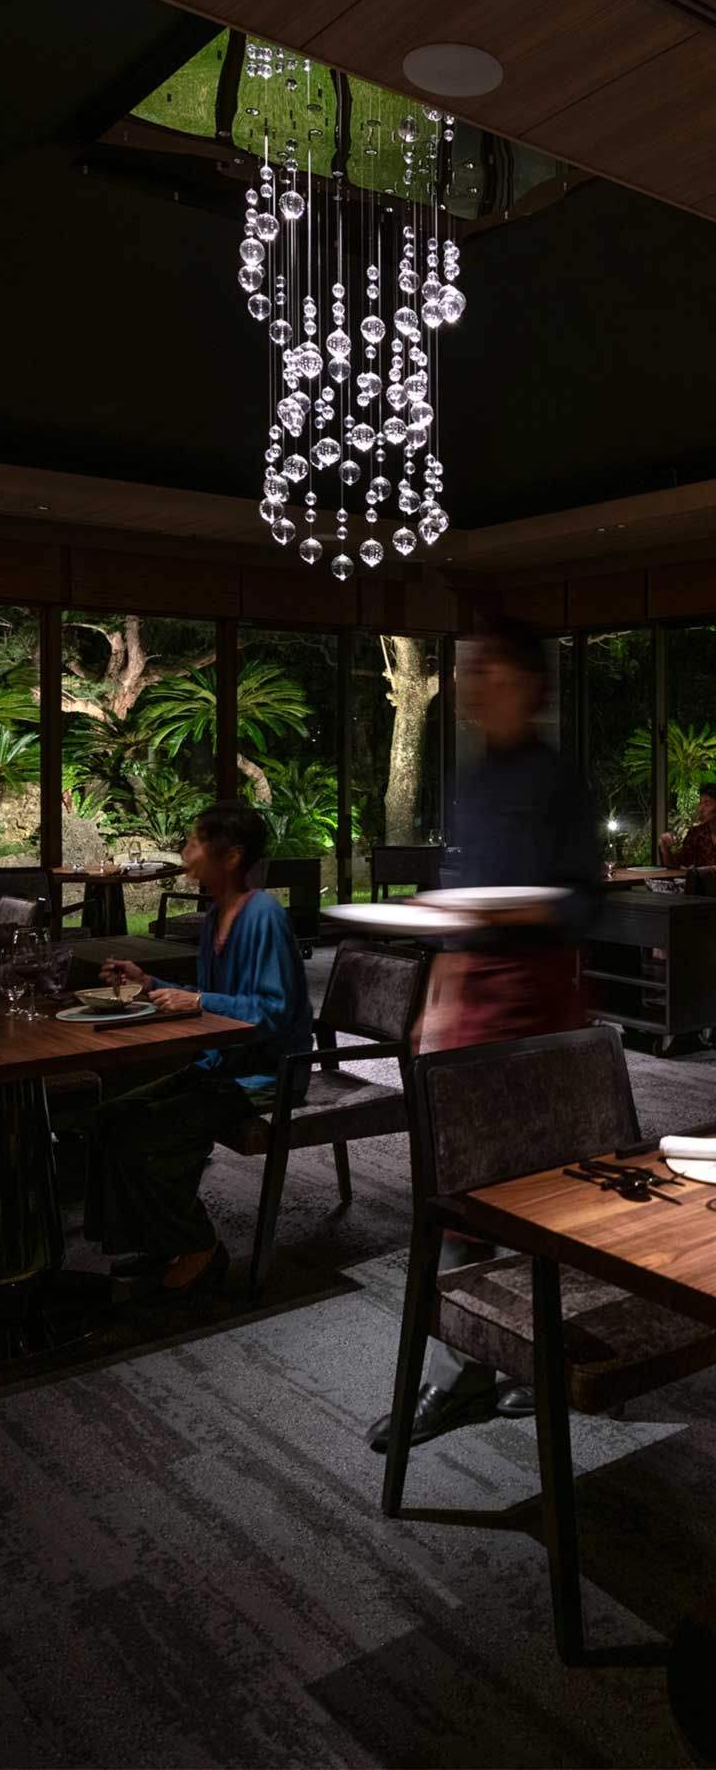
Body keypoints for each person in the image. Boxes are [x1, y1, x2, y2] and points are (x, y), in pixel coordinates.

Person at [366, 618, 600, 1453]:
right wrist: (439, 990)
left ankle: (521, 1354)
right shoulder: (472, 778)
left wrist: (517, 910)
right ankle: (469, 1364)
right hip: (471, 1000)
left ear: (528, 684)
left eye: (484, 671)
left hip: (535, 1006)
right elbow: (462, 897)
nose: (468, 686)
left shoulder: (560, 780)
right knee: (460, 1189)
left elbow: (583, 902)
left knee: (533, 1188)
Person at [86, 801, 313, 1298]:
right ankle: (159, 1240)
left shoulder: (263, 915)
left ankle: (198, 1246)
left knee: (145, 1133)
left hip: (266, 1075)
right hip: (221, 1064)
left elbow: (272, 1011)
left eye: (194, 843)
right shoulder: (215, 917)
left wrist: (199, 1000)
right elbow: (209, 999)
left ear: (230, 856)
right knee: (110, 1117)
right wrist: (150, 983)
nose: (185, 852)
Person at [660, 783, 716, 869]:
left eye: (707, 804)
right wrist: (665, 847)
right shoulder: (696, 833)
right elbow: (676, 864)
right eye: (700, 803)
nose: (700, 809)